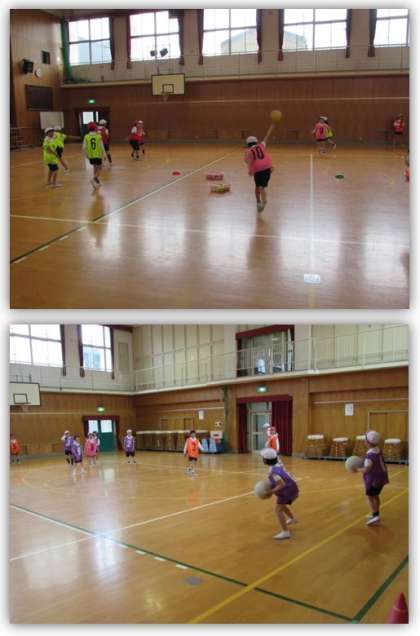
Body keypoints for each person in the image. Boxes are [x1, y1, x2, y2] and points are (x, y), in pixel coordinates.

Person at [261, 448, 299, 540]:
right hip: (293, 487)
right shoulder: (278, 463)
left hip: (287, 490)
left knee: (278, 510)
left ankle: (285, 532)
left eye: (263, 458)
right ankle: (292, 519)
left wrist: (270, 491)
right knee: (282, 506)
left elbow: (281, 484)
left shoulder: (273, 473)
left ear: (265, 460)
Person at [356, 430, 389, 526]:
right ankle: (376, 513)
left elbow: (367, 469)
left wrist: (356, 469)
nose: (364, 441)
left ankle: (375, 516)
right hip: (382, 477)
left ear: (367, 442)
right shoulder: (377, 449)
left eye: (365, 439)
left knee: (370, 497)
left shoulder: (369, 456)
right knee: (376, 495)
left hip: (374, 479)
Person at [244, 123, 275, 213]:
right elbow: (266, 137)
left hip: (258, 170)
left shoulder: (248, 151)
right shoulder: (261, 145)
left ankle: (263, 201)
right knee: (261, 186)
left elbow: (248, 161)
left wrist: (250, 170)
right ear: (256, 142)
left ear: (248, 144)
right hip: (268, 168)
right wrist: (271, 127)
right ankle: (260, 202)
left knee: (260, 187)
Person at [83, 121, 106, 191]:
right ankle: (94, 179)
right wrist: (104, 154)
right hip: (98, 154)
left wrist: (86, 155)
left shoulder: (86, 136)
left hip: (91, 155)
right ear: (95, 128)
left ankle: (96, 183)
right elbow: (102, 146)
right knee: (100, 168)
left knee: (95, 168)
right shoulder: (98, 136)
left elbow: (84, 147)